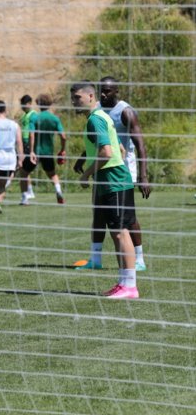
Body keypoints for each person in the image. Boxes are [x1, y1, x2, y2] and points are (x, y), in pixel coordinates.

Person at [73, 77, 150, 271]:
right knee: (99, 213)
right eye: (101, 90)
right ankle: (96, 259)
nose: (104, 94)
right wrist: (83, 159)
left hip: (120, 169)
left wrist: (143, 176)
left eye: (107, 90)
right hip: (103, 168)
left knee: (127, 221)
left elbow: (140, 145)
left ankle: (138, 260)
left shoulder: (125, 111)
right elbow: (101, 142)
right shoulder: (99, 112)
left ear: (117, 91)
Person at [21, 93, 66, 205]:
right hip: (48, 152)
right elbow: (63, 136)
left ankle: (25, 199)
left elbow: (31, 134)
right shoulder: (55, 119)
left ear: (38, 103)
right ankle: (58, 191)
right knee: (52, 174)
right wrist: (62, 149)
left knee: (24, 173)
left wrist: (31, 151)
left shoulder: (35, 117)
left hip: (36, 152)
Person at [0, 101, 23, 214]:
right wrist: (20, 159)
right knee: (2, 185)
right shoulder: (14, 125)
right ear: (5, 110)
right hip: (10, 158)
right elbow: (19, 142)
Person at [17, 94, 38, 202]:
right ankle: (30, 192)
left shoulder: (33, 115)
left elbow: (32, 133)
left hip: (28, 145)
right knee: (24, 170)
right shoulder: (24, 115)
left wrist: (31, 150)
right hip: (24, 144)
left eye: (23, 105)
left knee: (23, 170)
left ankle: (26, 194)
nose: (22, 107)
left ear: (29, 104)